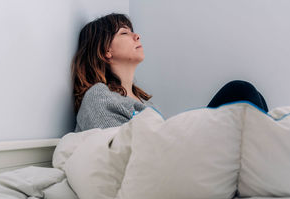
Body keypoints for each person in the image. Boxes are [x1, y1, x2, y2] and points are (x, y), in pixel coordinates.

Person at [72, 13, 268, 132]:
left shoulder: (144, 101)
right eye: (125, 33)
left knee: (251, 97)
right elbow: (118, 153)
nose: (136, 36)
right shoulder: (99, 96)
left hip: (169, 157)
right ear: (105, 51)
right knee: (239, 91)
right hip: (157, 166)